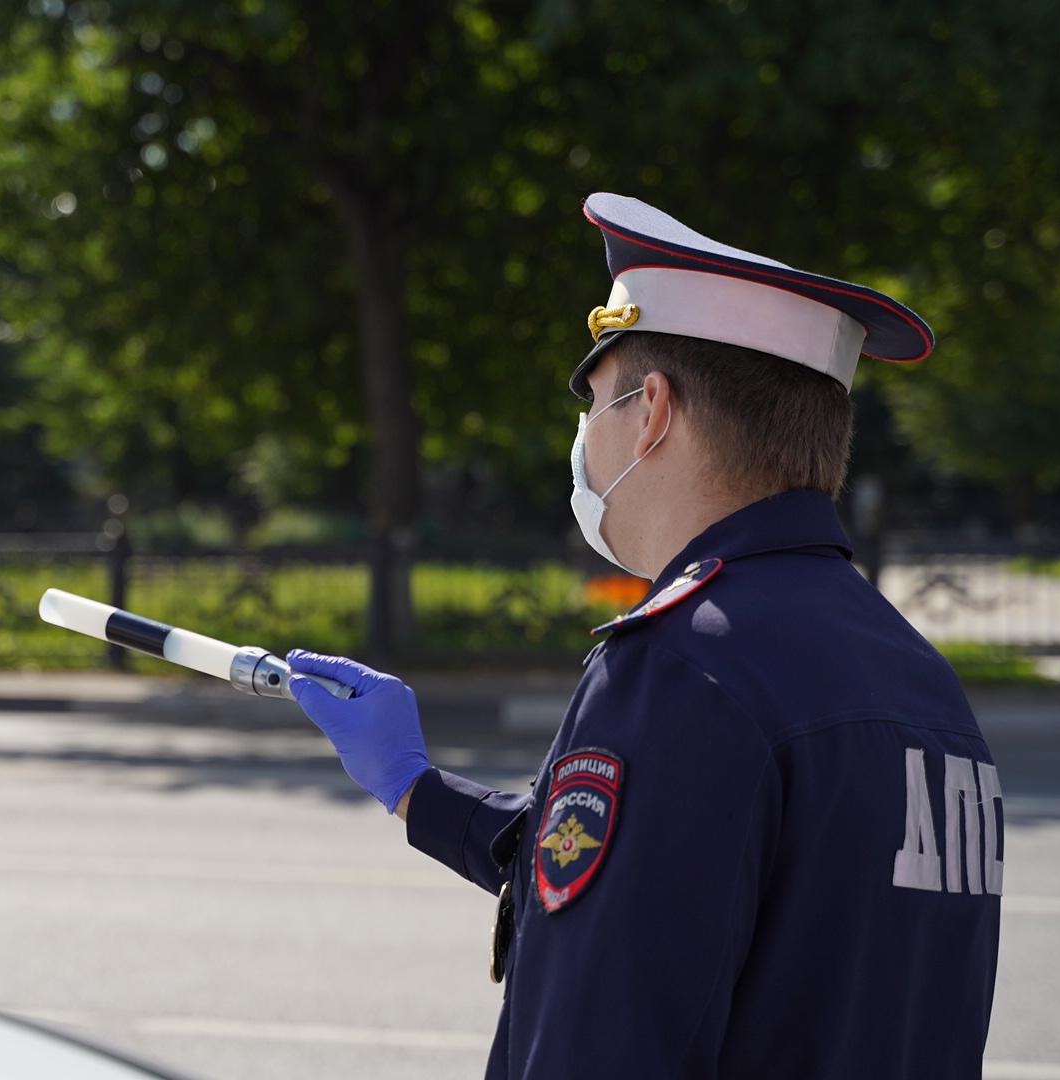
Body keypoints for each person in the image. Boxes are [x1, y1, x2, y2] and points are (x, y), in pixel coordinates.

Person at [286, 193, 1001, 1080]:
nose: (584, 439)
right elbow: (702, 888)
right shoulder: (922, 681)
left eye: (593, 404)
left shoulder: (682, 668)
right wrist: (416, 791)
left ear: (652, 410)